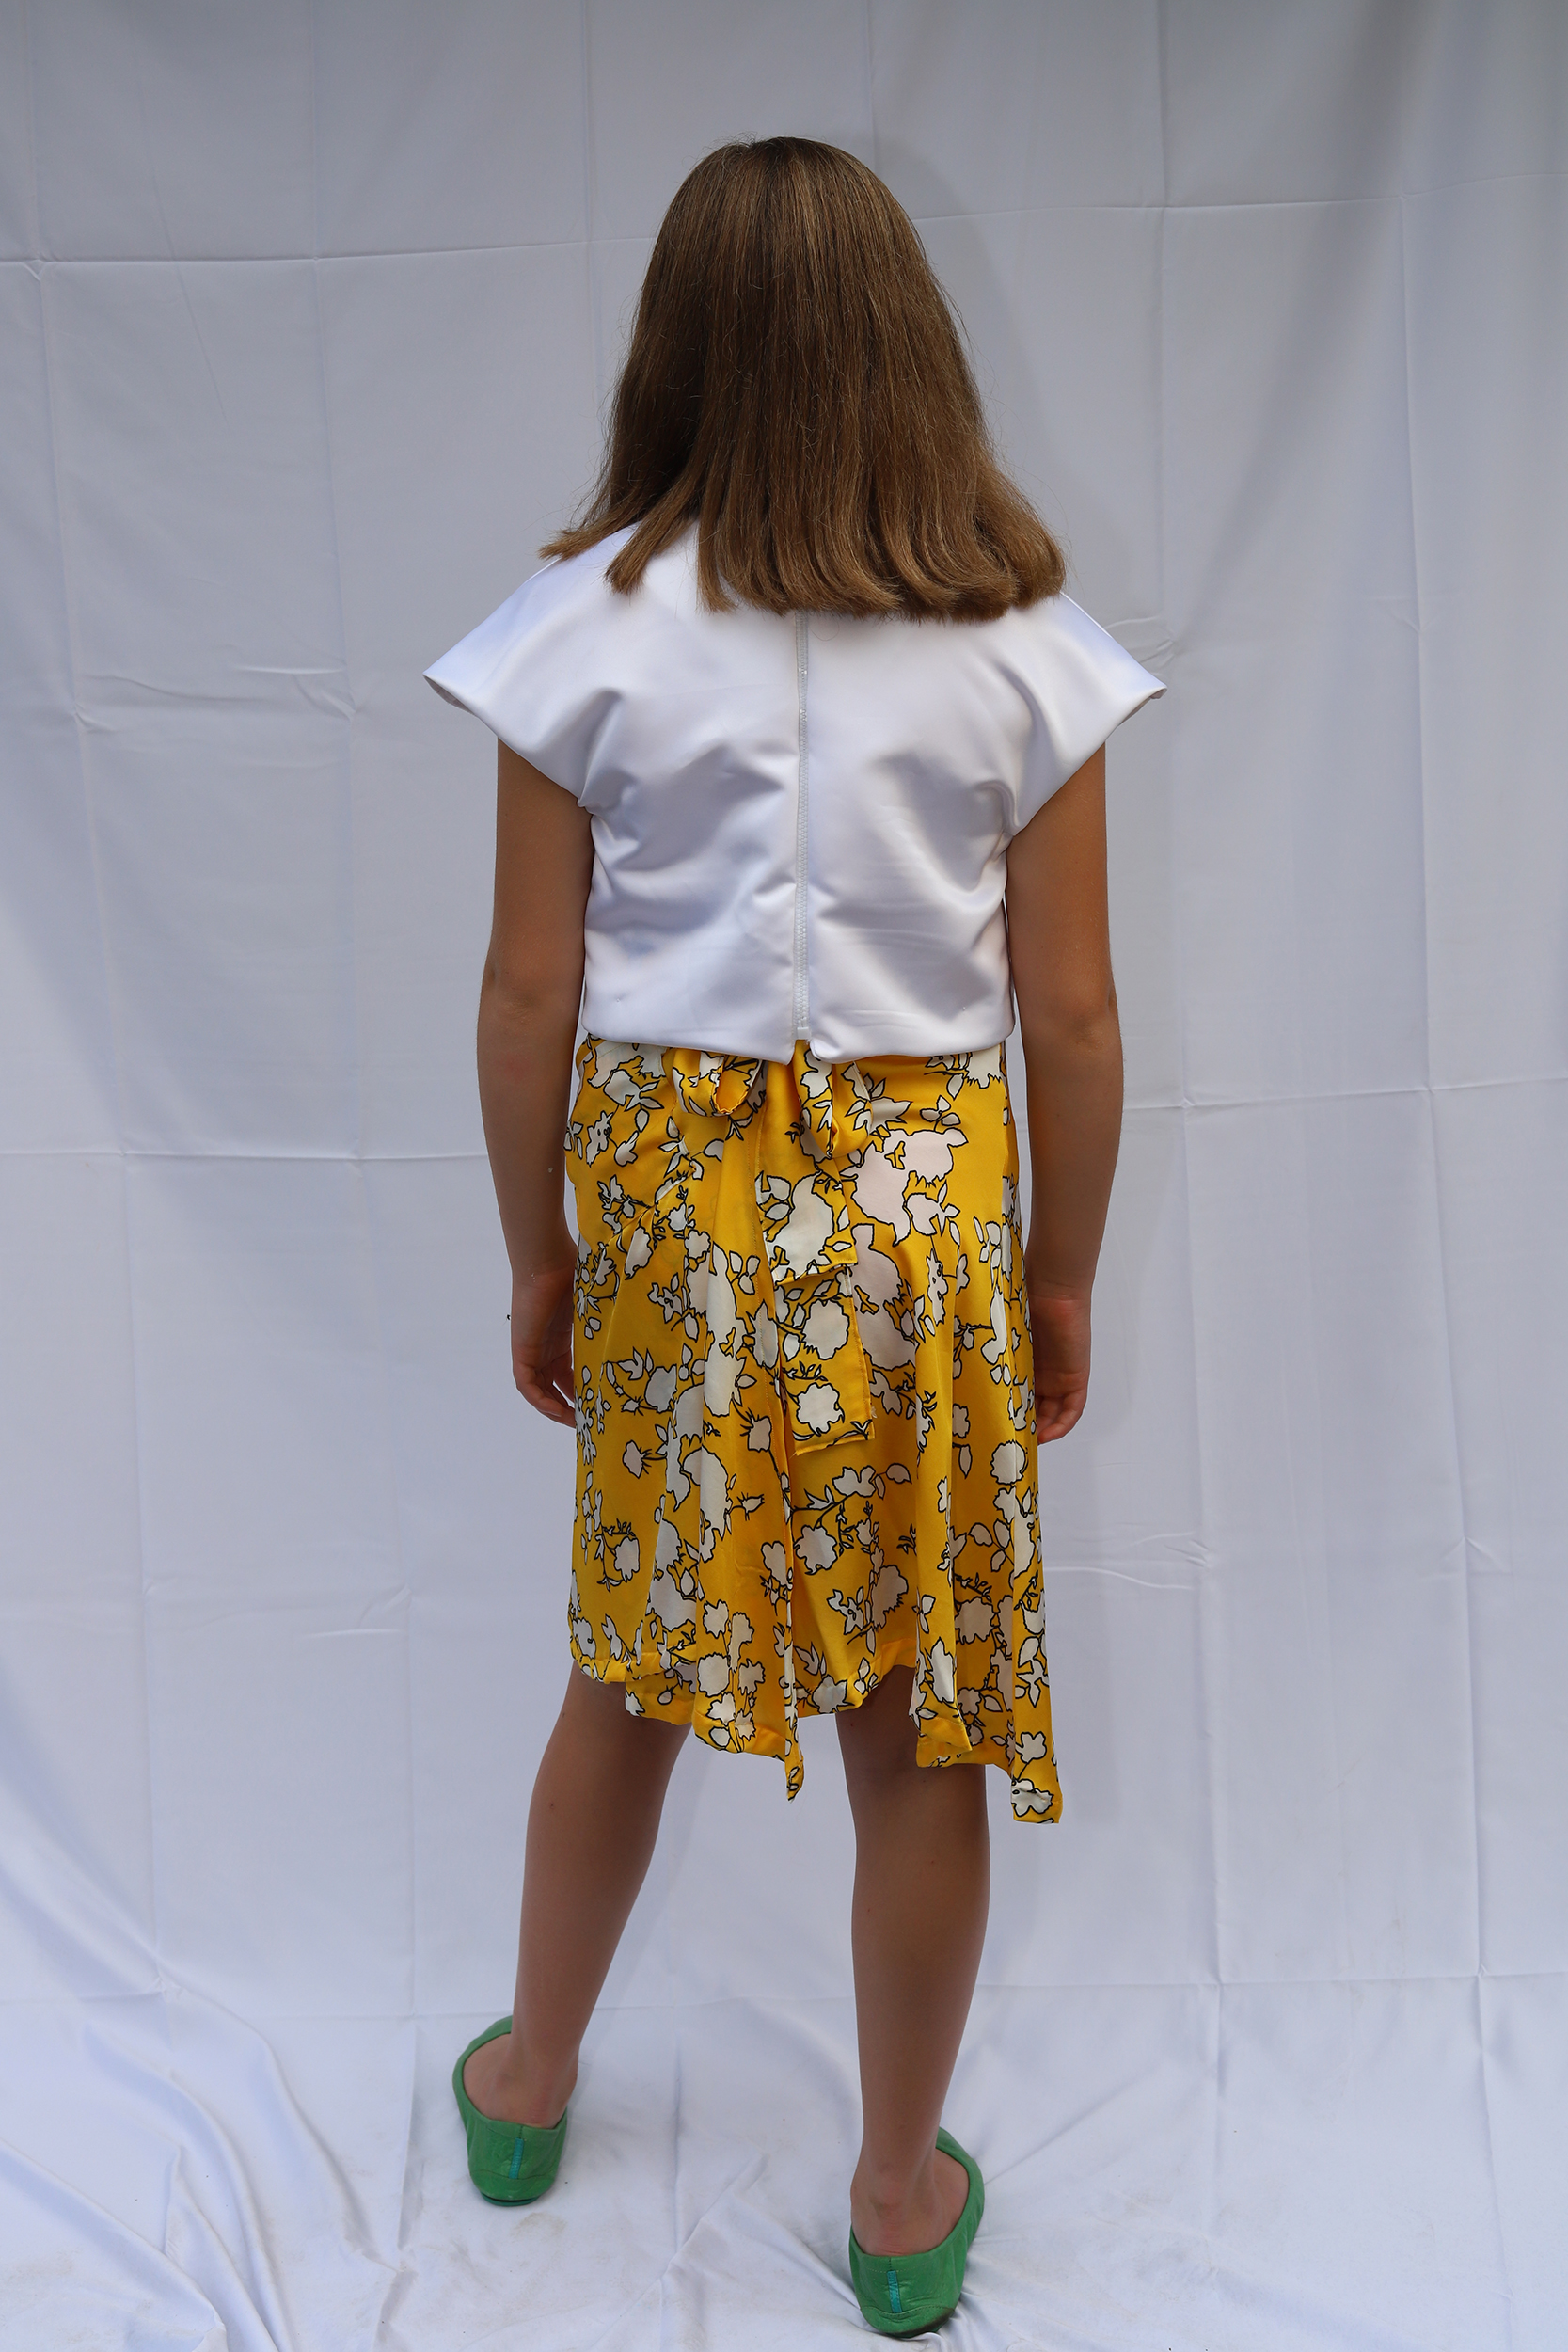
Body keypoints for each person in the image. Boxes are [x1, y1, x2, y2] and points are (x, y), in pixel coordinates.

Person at [425, 135, 1163, 2338]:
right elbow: (1074, 1011)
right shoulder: (1023, 640)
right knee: (914, 1724)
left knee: (626, 1671)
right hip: (921, 1211)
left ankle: (531, 2077)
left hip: (669, 1206)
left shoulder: (583, 625)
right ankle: (897, 2184)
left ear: (676, 353)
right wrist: (1062, 1270)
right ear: (909, 350)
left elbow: (527, 993)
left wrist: (535, 1248)